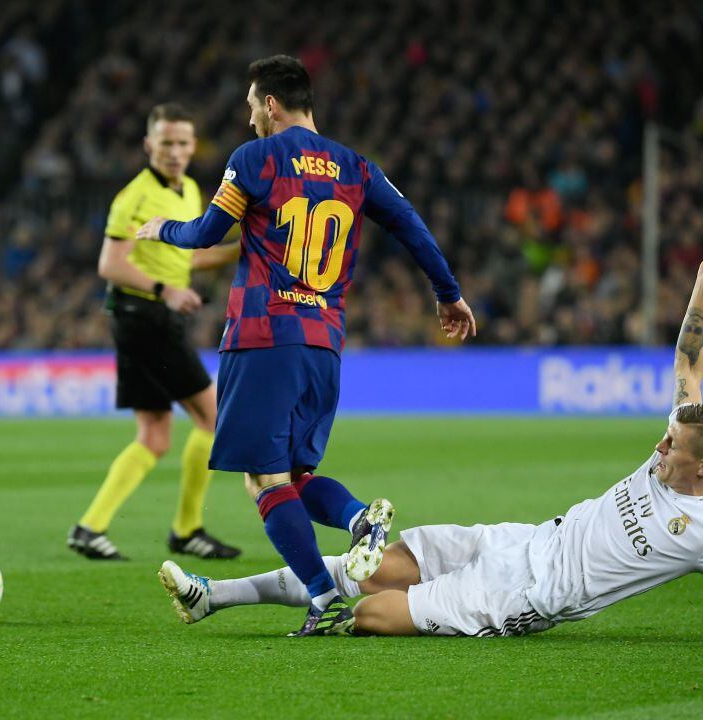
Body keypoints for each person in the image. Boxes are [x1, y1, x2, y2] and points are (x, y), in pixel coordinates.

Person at [158, 229, 703, 644]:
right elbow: (687, 359)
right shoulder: (682, 441)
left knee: (372, 613)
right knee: (372, 564)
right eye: (666, 439)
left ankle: (253, 597)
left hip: (529, 594)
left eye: (671, 450)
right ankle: (213, 597)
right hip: (522, 537)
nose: (658, 448)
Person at [139, 55, 477, 636]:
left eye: (251, 107)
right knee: (292, 479)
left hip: (263, 335)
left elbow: (206, 234)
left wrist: (160, 230)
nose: (248, 121)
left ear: (270, 103)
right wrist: (448, 293)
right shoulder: (357, 167)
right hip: (324, 342)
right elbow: (411, 224)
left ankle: (323, 598)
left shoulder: (254, 159)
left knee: (262, 481)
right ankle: (357, 520)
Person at [68, 103, 242, 562]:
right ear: (149, 145)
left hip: (144, 318)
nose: (175, 151)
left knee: (154, 436)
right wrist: (165, 290)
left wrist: (239, 249)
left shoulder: (188, 192)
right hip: (145, 317)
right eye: (166, 142)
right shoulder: (135, 196)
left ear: (192, 146)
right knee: (212, 417)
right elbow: (110, 263)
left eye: (183, 142)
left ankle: (91, 527)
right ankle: (187, 529)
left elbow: (187, 258)